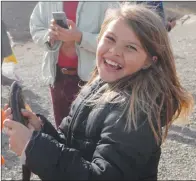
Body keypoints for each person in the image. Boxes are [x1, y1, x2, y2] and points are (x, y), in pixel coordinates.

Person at [3, 4, 193, 180]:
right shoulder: (99, 84)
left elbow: (101, 176)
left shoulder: (136, 111)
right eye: (110, 39)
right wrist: (39, 130)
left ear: (149, 61)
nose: (114, 51)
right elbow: (71, 144)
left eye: (131, 47)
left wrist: (33, 147)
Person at [29, 1, 120, 127]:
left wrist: (80, 37)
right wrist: (49, 36)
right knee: (62, 129)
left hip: (93, 80)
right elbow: (36, 29)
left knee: (90, 130)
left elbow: (116, 40)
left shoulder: (107, 3)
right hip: (58, 77)